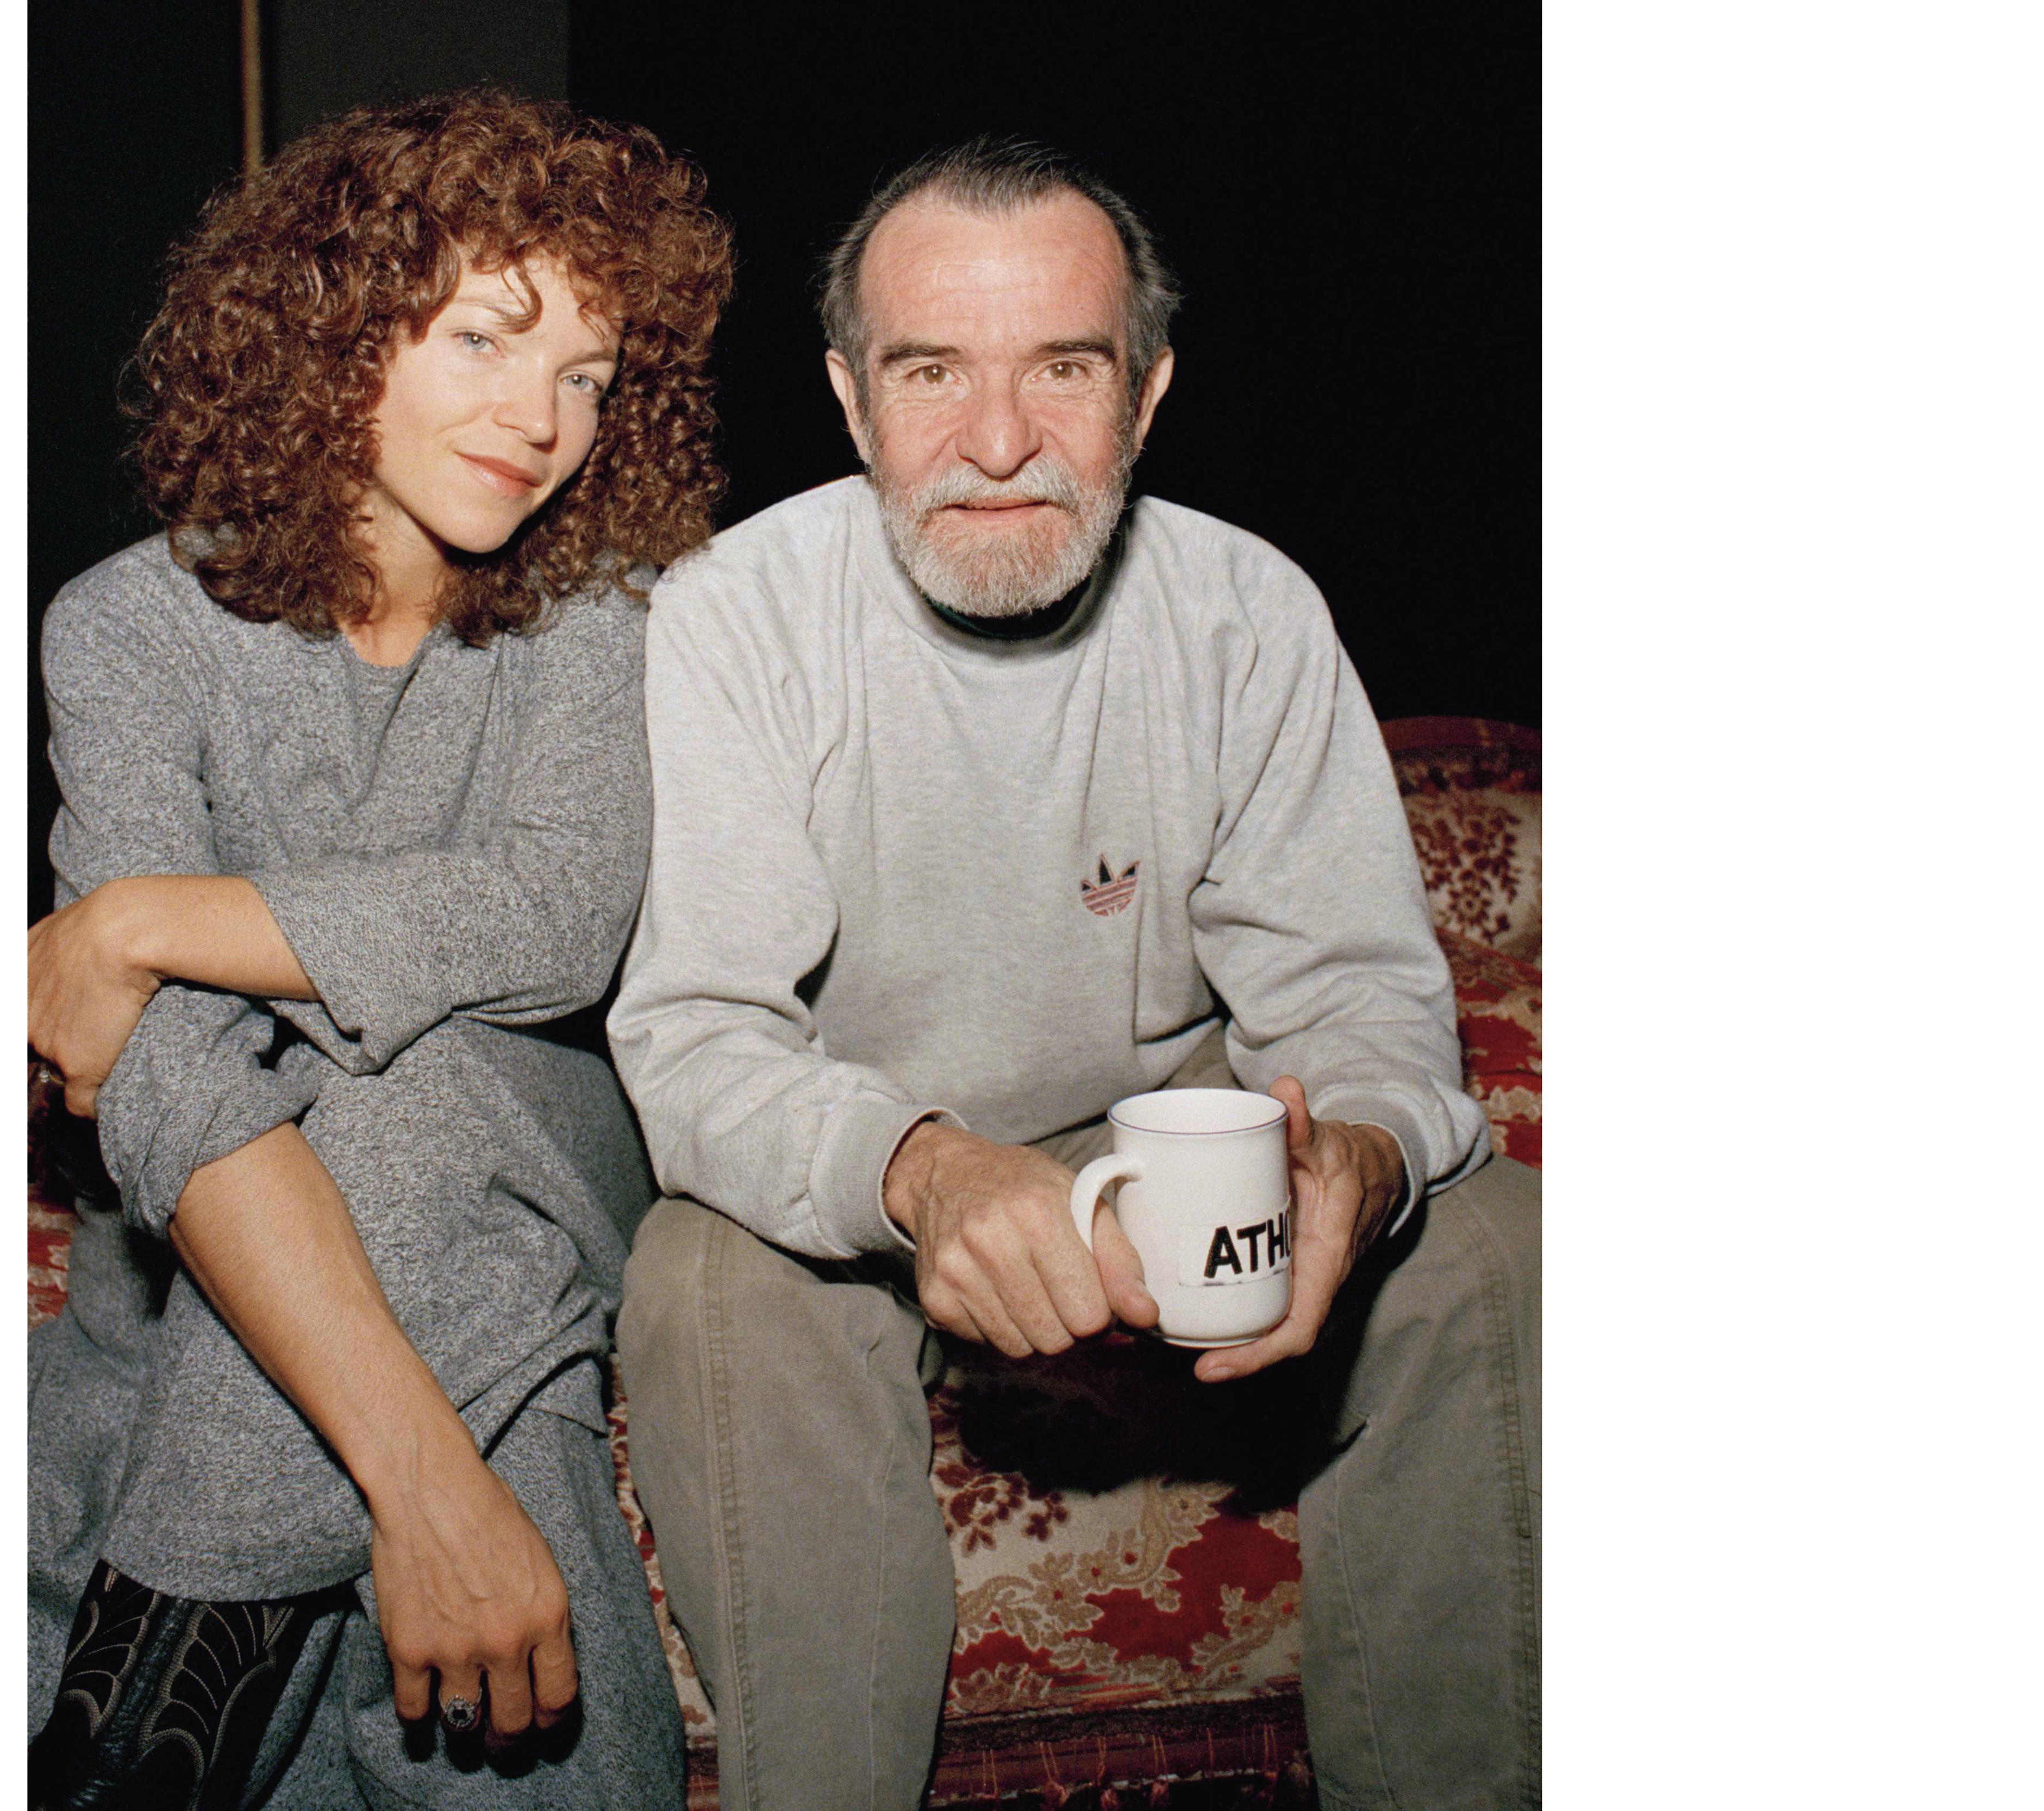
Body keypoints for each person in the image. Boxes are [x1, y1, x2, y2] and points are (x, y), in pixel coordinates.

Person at [607, 137, 1541, 1811]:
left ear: (1151, 391)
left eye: (1064, 367)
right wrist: (921, 1170)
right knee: (699, 1279)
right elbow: (698, 1041)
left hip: (1163, 1134)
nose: (998, 442)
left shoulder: (1250, 614)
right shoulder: (731, 616)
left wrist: (1365, 1156)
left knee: (1489, 1243)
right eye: (930, 372)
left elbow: (1367, 1011)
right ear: (847, 399)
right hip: (866, 1157)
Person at [26, 92, 731, 1811]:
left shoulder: (599, 608)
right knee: (387, 1149)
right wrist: (432, 1485)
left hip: (540, 1171)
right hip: (238, 1256)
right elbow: (160, 1076)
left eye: (589, 373)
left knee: (415, 1097)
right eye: (490, 338)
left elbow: (559, 921)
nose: (545, 419)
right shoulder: (125, 629)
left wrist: (130, 922)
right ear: (334, 325)